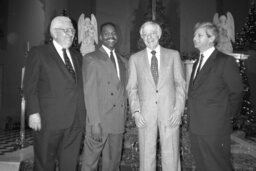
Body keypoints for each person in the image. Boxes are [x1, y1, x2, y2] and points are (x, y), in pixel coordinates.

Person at [23, 16, 86, 171]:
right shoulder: (39, 53)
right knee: (45, 163)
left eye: (72, 30)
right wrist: (33, 112)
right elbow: (30, 85)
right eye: (66, 30)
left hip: (75, 120)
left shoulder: (77, 55)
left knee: (70, 164)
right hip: (48, 120)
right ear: (53, 32)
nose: (71, 34)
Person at [126, 21, 186, 171]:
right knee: (146, 157)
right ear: (142, 37)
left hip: (170, 113)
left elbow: (180, 85)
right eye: (145, 34)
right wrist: (136, 112)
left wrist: (178, 110)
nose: (149, 37)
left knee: (171, 155)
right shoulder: (135, 59)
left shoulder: (173, 55)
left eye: (152, 33)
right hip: (145, 115)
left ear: (158, 34)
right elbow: (131, 88)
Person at [187, 22, 243, 171]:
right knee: (202, 164)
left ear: (211, 38)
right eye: (194, 35)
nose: (194, 38)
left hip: (215, 127)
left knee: (218, 165)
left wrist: (226, 116)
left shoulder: (225, 61)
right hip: (197, 126)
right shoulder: (197, 62)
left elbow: (236, 91)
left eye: (199, 35)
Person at [81, 22, 127, 171]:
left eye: (113, 33)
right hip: (99, 121)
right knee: (90, 163)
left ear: (117, 36)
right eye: (106, 34)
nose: (110, 36)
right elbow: (90, 93)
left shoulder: (123, 61)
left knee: (113, 164)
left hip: (117, 121)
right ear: (100, 37)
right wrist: (94, 123)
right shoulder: (91, 58)